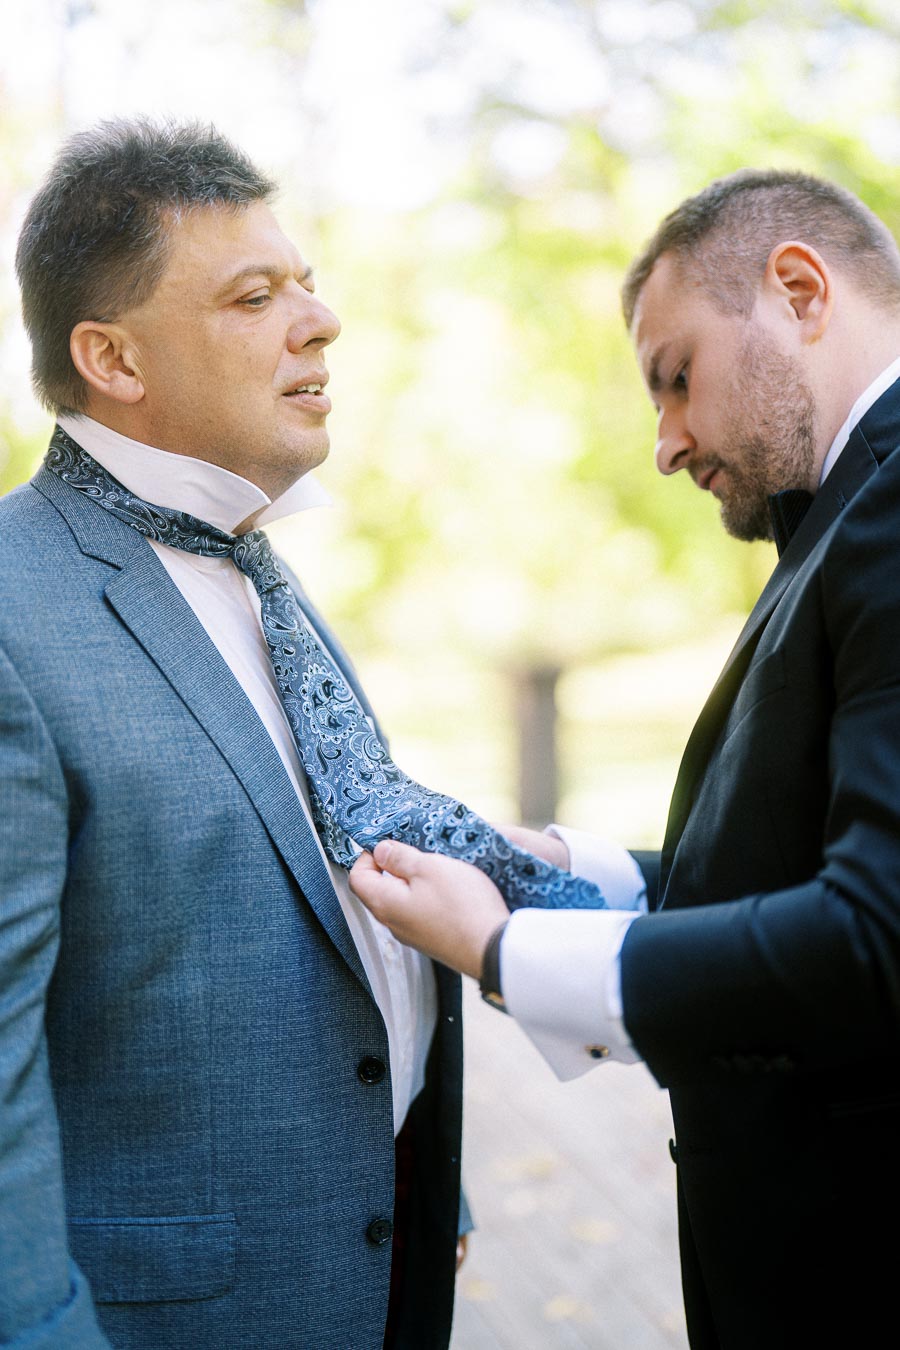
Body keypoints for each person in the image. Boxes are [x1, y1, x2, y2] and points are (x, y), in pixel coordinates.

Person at [349, 168, 900, 1349]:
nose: (665, 443)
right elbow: (804, 850)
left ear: (801, 290)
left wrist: (503, 952)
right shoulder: (849, 508)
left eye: (677, 376)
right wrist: (553, 869)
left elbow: (875, 937)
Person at [0, 118, 470, 1350]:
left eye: (306, 284)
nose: (321, 322)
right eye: (255, 297)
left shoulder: (259, 570)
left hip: (376, 1265)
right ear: (113, 357)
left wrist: (425, 1180)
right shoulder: (9, 610)